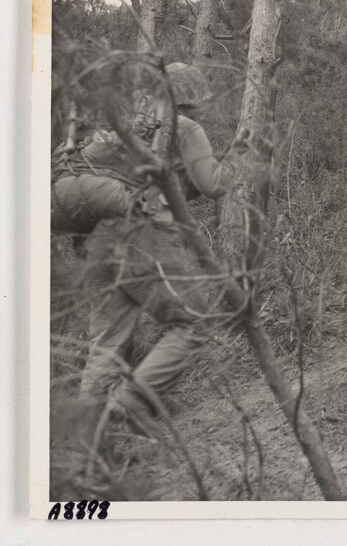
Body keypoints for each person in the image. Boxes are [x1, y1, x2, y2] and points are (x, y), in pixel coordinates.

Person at [77, 62, 250, 432]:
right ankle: (131, 403)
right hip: (147, 241)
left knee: (106, 345)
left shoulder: (123, 126)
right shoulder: (186, 129)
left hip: (100, 240)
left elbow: (84, 164)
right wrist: (241, 153)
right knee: (195, 322)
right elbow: (214, 184)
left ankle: (86, 446)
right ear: (189, 99)